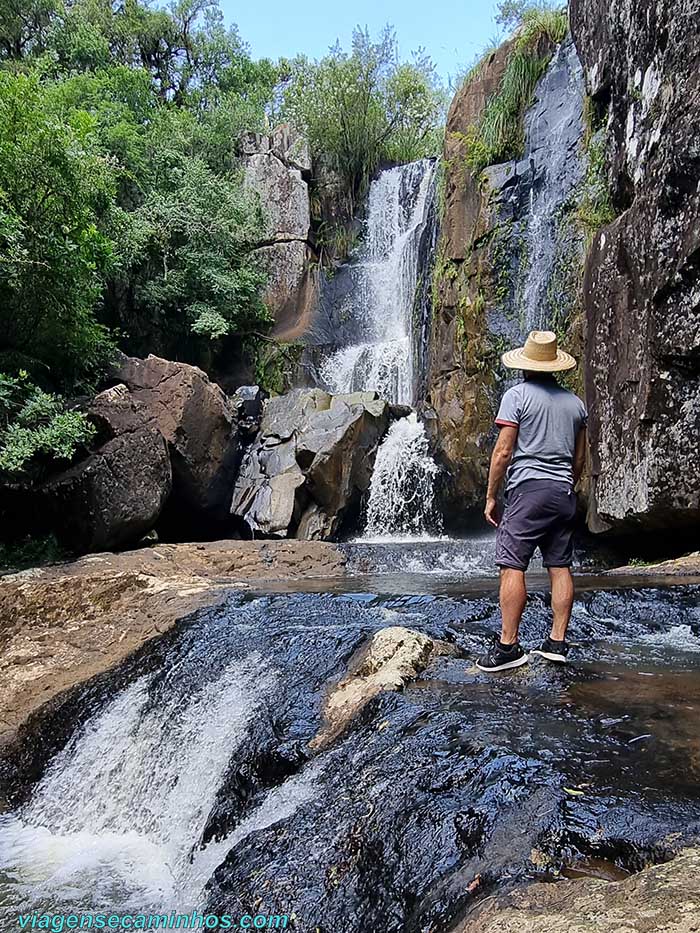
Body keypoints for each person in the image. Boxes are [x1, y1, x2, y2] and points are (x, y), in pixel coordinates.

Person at [476, 330, 587, 672]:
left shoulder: (517, 396)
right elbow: (580, 459)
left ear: (525, 365)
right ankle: (557, 642)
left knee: (512, 565)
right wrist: (567, 486)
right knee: (560, 565)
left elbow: (503, 451)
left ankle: (508, 647)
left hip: (528, 492)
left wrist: (492, 495)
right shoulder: (576, 403)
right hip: (564, 494)